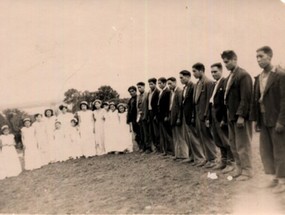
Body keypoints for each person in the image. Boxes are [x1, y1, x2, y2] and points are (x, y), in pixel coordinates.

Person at [251, 46, 285, 192]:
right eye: (257, 57)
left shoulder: (280, 75)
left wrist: (281, 121)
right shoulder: (258, 78)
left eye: (261, 56)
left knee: (280, 150)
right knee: (266, 150)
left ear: (270, 57)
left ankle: (283, 182)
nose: (258, 60)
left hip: (277, 120)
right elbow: (256, 100)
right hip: (264, 119)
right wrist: (257, 120)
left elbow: (284, 100)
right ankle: (273, 179)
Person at [221, 50, 253, 181]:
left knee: (243, 144)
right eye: (224, 62)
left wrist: (241, 116)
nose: (225, 65)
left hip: (240, 117)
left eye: (227, 62)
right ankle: (239, 168)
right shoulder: (229, 77)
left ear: (235, 59)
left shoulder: (243, 75)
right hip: (231, 116)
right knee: (233, 144)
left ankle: (247, 170)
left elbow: (246, 98)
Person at [208, 63, 234, 171]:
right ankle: (223, 161)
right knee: (217, 139)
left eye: (215, 71)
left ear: (221, 71)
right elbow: (211, 101)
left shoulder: (224, 82)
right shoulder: (214, 84)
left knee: (226, 139)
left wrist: (224, 118)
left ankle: (231, 163)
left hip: (221, 115)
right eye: (212, 72)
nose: (213, 74)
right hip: (214, 113)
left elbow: (225, 103)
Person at [192, 63, 217, 168]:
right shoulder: (198, 83)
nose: (193, 73)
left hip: (204, 115)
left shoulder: (208, 82)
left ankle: (212, 159)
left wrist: (207, 116)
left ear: (201, 70)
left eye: (194, 71)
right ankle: (206, 158)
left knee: (207, 137)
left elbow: (208, 101)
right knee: (201, 137)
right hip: (198, 114)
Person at [179, 70, 205, 165]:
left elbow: (194, 103)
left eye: (182, 77)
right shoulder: (185, 88)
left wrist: (193, 116)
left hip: (192, 116)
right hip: (186, 116)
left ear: (188, 77)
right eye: (180, 78)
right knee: (189, 137)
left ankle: (200, 158)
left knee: (195, 138)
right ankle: (192, 156)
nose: (180, 79)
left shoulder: (193, 86)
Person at [167, 77, 188, 160]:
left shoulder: (179, 91)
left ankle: (183, 155)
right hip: (173, 117)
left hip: (178, 117)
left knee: (181, 136)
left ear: (175, 82)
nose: (169, 85)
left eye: (170, 83)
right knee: (175, 136)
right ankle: (178, 154)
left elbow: (180, 106)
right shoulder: (172, 92)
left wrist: (179, 117)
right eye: (168, 84)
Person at [157, 77, 173, 156]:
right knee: (163, 134)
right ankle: (166, 151)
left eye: (160, 83)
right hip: (161, 116)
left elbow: (167, 104)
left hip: (165, 116)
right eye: (158, 83)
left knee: (168, 133)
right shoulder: (161, 92)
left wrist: (167, 115)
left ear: (164, 83)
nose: (159, 85)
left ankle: (171, 151)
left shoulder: (167, 92)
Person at [136, 82, 151, 153]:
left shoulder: (147, 94)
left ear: (144, 87)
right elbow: (137, 107)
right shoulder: (138, 96)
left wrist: (146, 116)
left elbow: (148, 106)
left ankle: (148, 147)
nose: (139, 89)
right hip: (139, 116)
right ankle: (143, 147)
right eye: (138, 87)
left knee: (146, 132)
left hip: (145, 115)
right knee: (141, 132)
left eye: (140, 87)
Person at [147, 78, 160, 153]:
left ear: (155, 84)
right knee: (151, 131)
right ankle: (155, 146)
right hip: (149, 112)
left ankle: (159, 147)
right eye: (149, 84)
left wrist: (156, 114)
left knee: (156, 131)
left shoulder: (157, 92)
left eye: (151, 84)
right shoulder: (149, 92)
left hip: (155, 113)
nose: (150, 85)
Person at [127, 86, 141, 151]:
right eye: (130, 92)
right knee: (136, 133)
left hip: (138, 118)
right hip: (133, 119)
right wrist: (128, 119)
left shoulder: (138, 98)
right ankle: (140, 146)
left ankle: (144, 147)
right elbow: (129, 110)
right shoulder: (130, 100)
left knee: (140, 132)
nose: (131, 93)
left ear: (136, 91)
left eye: (132, 91)